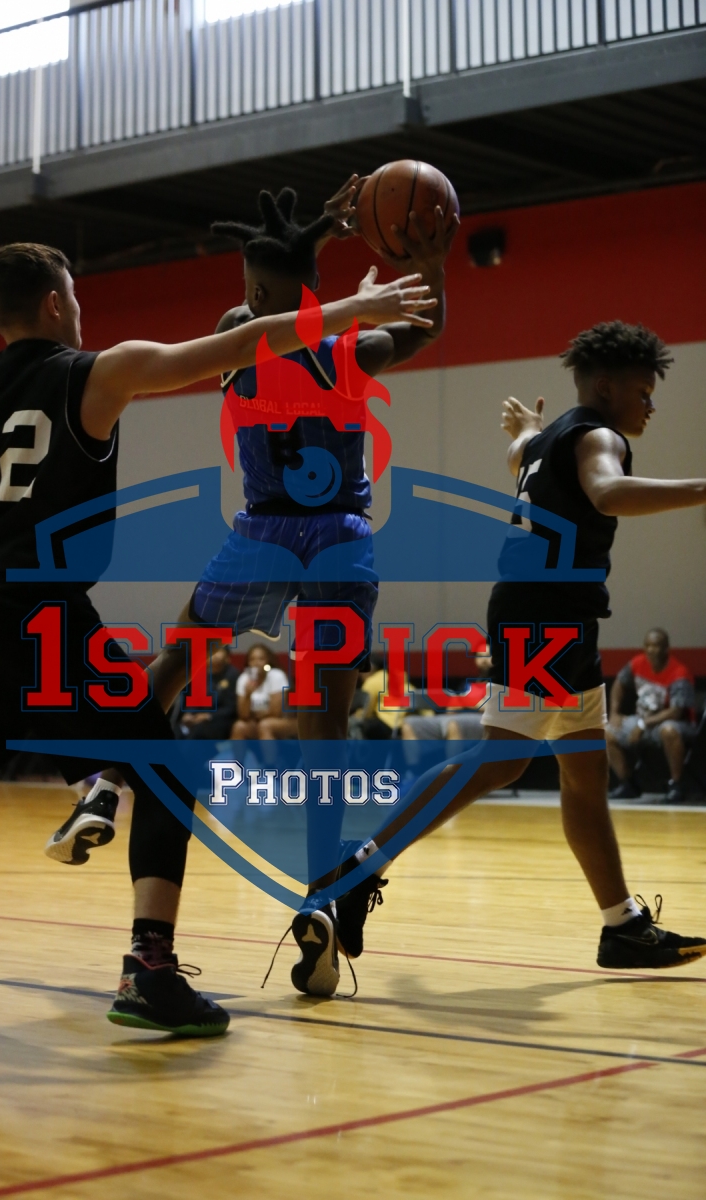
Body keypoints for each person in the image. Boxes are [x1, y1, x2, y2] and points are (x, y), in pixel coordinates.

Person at [0, 240, 435, 1035]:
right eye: (74, 294)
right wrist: (353, 310)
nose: (79, 307)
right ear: (54, 303)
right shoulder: (97, 373)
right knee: (166, 769)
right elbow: (232, 347)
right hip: (41, 611)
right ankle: (149, 972)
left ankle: (101, 793)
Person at [48, 178, 457, 998]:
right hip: (339, 535)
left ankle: (106, 783)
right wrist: (428, 261)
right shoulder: (352, 350)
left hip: (263, 531)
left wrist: (322, 244)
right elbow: (425, 325)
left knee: (177, 659)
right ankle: (320, 888)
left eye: (250, 285)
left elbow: (272, 306)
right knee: (324, 721)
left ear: (259, 292)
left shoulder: (238, 335)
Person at [331, 321, 706, 972]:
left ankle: (621, 926)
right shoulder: (599, 438)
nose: (650, 405)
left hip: (550, 613)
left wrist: (525, 432)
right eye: (643, 392)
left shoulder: (550, 440)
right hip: (547, 616)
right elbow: (607, 492)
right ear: (606, 388)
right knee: (501, 759)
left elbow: (522, 459)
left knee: (583, 773)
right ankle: (362, 865)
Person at [606, 628, 697, 803]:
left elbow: (676, 712)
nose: (650, 650)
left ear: (666, 648)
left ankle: (676, 785)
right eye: (647, 645)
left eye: (656, 646)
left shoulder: (679, 672)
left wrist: (643, 725)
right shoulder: (637, 663)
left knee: (668, 730)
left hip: (677, 724)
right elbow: (619, 683)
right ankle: (628, 784)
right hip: (643, 721)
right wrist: (614, 712)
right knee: (605, 732)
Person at [173, 643, 239, 741]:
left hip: (221, 720)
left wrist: (209, 716)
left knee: (198, 731)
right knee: (175, 730)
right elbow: (195, 700)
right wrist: (189, 713)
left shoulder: (232, 675)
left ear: (227, 656)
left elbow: (231, 707)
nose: (214, 655)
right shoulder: (201, 674)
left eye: (218, 651)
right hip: (199, 718)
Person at [231, 644, 295, 739]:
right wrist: (248, 695)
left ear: (268, 661)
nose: (256, 663)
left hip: (284, 721)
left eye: (261, 659)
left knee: (265, 725)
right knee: (239, 726)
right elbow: (243, 715)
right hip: (258, 722)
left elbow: (276, 713)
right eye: (252, 659)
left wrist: (255, 715)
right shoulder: (243, 679)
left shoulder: (276, 676)